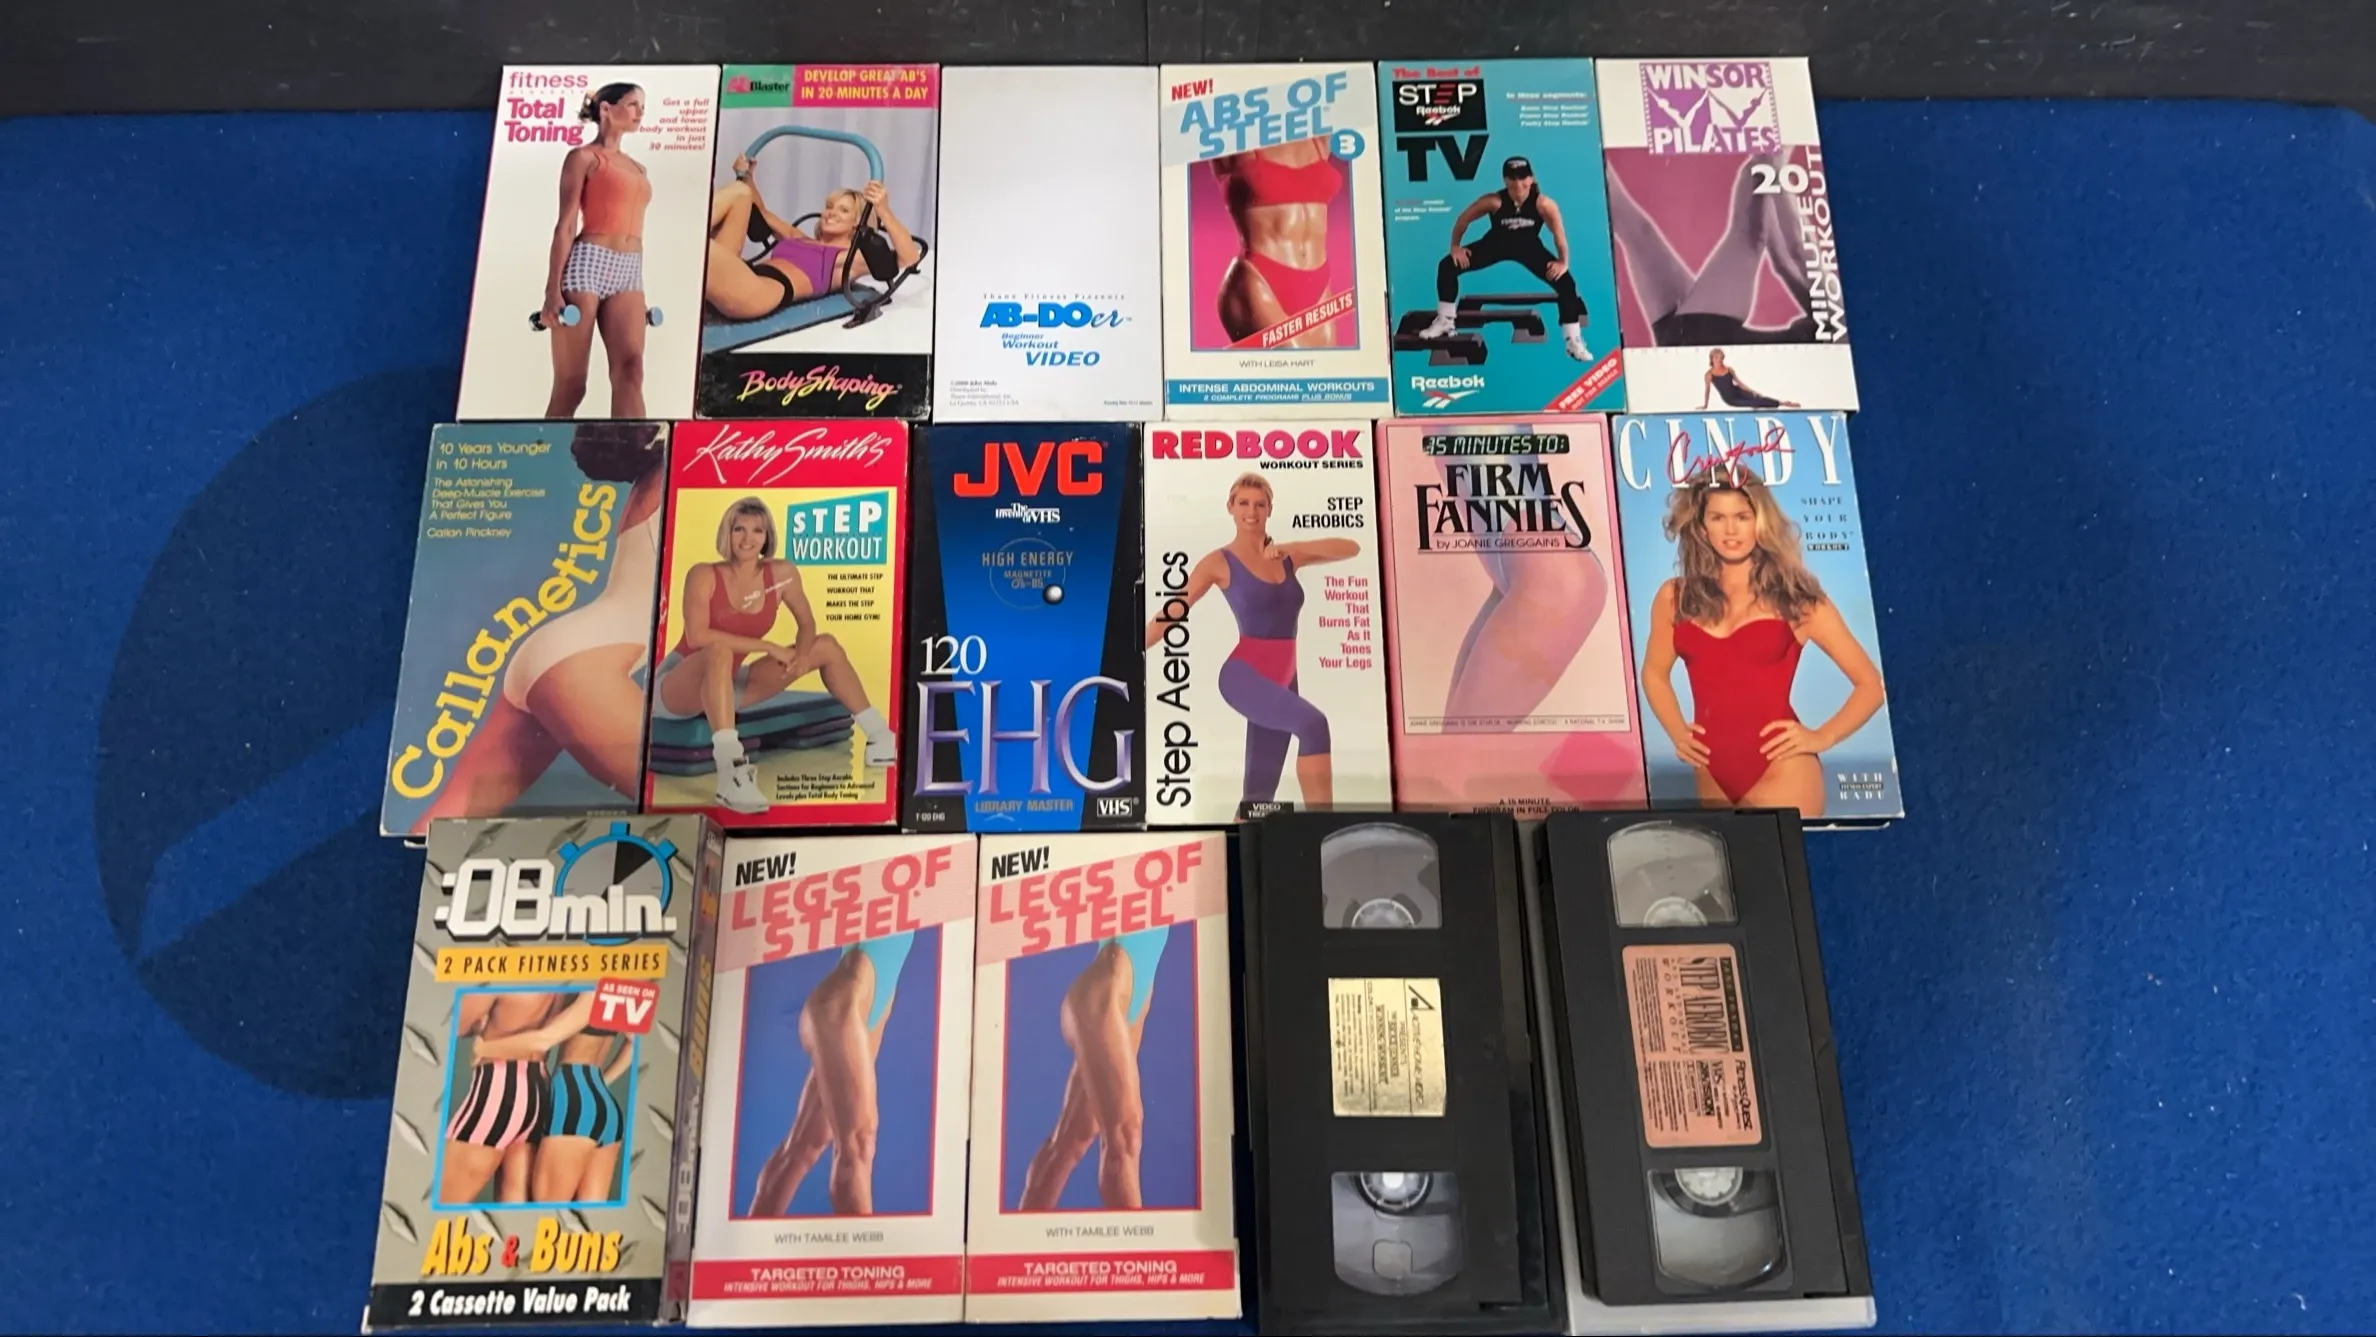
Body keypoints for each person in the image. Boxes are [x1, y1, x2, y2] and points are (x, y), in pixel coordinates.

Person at [414, 423, 665, 836]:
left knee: (441, 822)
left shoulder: (657, 477)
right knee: (705, 796)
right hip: (583, 667)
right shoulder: (695, 467)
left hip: (555, 652)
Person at [1639, 463, 1886, 815]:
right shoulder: (1675, 598)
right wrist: (1679, 733)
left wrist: (1822, 737)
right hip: (1710, 773)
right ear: (1702, 526)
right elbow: (1654, 673)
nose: (1731, 530)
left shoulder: (1798, 600)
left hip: (1784, 769)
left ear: (1761, 521)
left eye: (1742, 516)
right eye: (1718, 518)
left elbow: (1871, 685)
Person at [651, 497, 897, 814]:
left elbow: (807, 624)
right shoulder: (703, 574)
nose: (747, 539)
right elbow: (698, 637)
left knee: (826, 645)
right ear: (727, 533)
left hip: (729, 684)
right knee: (718, 650)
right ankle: (731, 772)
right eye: (739, 529)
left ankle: (879, 735)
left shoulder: (782, 573)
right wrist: (767, 646)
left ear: (767, 536)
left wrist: (801, 656)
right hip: (679, 686)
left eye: (757, 530)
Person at [1144, 472, 1358, 806]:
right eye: (1243, 503)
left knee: (1258, 799)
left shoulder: (1287, 558)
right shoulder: (1219, 561)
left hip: (1285, 680)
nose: (1251, 511)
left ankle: (1245, 832)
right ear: (1230, 507)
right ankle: (1324, 828)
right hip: (1245, 677)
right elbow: (1172, 611)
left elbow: (1351, 548)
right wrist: (1129, 648)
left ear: (1270, 509)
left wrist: (1290, 547)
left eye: (1260, 504)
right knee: (1314, 725)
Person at [747, 932, 914, 1216]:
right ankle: (862, 1247)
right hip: (843, 1004)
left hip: (866, 1002)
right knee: (858, 1145)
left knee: (803, 1147)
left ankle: (754, 1235)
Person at [1017, 926, 1171, 1210]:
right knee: (1125, 1137)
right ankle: (1135, 1240)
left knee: (1072, 1139)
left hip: (1132, 998)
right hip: (1104, 994)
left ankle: (1019, 1232)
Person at [1606, 153, 1817, 349]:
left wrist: (1774, 168)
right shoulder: (1832, 311)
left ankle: (1771, 151)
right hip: (1693, 344)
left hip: (1706, 340)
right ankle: (1587, 152)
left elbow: (1797, 249)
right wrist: (1769, 177)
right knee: (1638, 230)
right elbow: (1782, 262)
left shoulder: (1834, 303)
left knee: (1749, 232)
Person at [541, 83, 655, 418]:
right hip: (587, 264)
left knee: (631, 372)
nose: (639, 113)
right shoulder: (583, 158)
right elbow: (565, 225)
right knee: (571, 384)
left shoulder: (639, 169)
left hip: (629, 268)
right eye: (632, 104)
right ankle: (542, 448)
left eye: (642, 107)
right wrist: (552, 291)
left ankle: (632, 449)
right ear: (606, 109)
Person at [1415, 156, 1594, 361]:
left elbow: (1559, 236)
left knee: (1566, 283)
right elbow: (1463, 220)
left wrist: (1563, 262)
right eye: (1512, 178)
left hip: (1529, 249)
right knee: (1447, 265)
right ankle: (1445, 321)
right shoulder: (1494, 201)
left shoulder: (1544, 204)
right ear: (1505, 180)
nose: (1518, 183)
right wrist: (1455, 247)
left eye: (1523, 177)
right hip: (1495, 245)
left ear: (1531, 179)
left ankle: (1573, 341)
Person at [703, 153, 922, 321]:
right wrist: (747, 176)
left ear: (857, 223)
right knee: (741, 192)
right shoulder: (800, 239)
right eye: (830, 206)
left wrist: (884, 210)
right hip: (738, 276)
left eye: (844, 211)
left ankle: (688, 228)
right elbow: (761, 212)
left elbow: (910, 257)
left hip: (755, 294)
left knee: (701, 247)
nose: (831, 213)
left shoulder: (848, 259)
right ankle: (692, 227)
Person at [1211, 137, 1346, 346]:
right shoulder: (1235, 134)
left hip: (1319, 285)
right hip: (1259, 282)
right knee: (1294, 366)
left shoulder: (1317, 136)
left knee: (1329, 366)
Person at [440, 991, 566, 1205]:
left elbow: (456, 1024)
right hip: (538, 1089)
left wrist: (481, 1026)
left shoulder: (502, 980)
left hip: (498, 1088)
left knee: (443, 1203)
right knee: (514, 1212)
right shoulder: (561, 984)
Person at [1702, 348, 1798, 409]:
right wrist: (1705, 405)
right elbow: (1707, 391)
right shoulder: (1709, 374)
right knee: (1754, 403)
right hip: (1730, 399)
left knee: (1758, 397)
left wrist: (1752, 391)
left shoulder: (1729, 369)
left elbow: (1739, 383)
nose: (1719, 360)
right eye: (1716, 358)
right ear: (1712, 359)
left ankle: (1781, 403)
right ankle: (1778, 404)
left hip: (1738, 391)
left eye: (1721, 358)